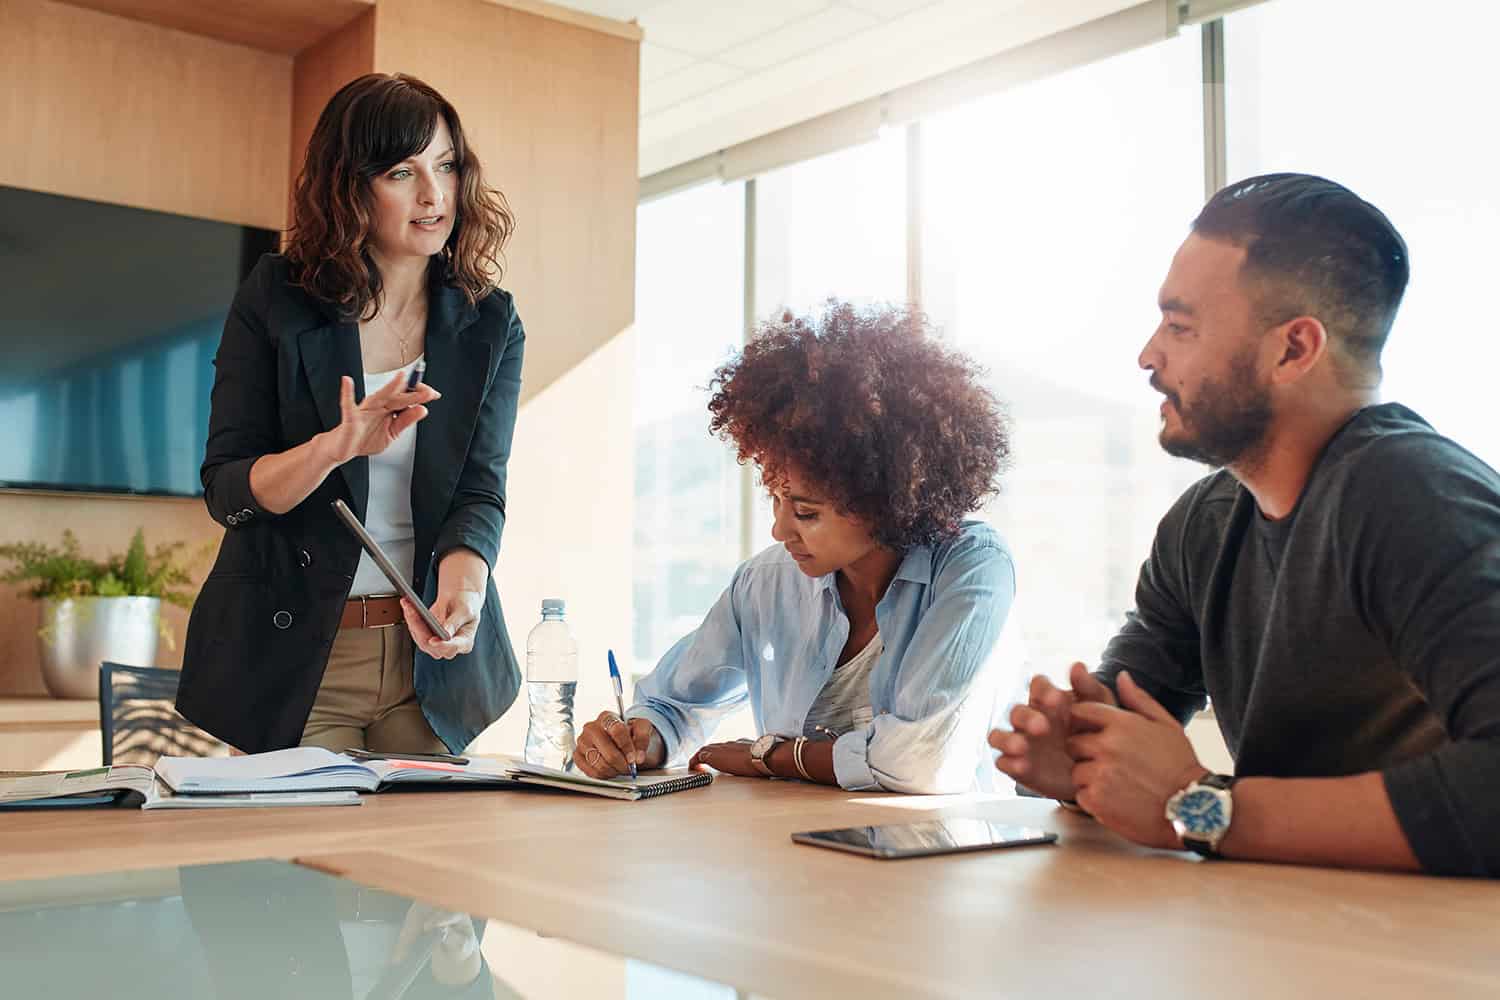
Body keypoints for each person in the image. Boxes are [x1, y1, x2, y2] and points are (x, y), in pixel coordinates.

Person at [991, 173, 1500, 877]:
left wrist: (1199, 807)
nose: (1148, 354)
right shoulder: (1204, 524)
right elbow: (1123, 732)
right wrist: (1075, 758)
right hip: (1291, 941)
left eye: (1181, 326)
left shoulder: (1414, 496)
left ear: (1292, 350)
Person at [176, 73, 526, 756]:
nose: (434, 196)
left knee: (425, 861)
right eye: (402, 171)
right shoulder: (277, 296)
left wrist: (466, 583)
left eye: (446, 165)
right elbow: (227, 489)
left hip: (430, 669)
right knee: (297, 862)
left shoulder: (489, 323)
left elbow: (481, 489)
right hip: (300, 659)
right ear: (350, 186)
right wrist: (332, 448)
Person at [575, 302, 1016, 794]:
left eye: (806, 512)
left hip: (942, 852)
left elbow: (921, 761)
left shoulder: (972, 569)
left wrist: (771, 756)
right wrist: (638, 739)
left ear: (883, 501)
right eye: (776, 499)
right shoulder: (765, 583)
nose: (779, 530)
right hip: (793, 850)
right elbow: (672, 704)